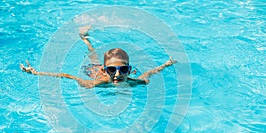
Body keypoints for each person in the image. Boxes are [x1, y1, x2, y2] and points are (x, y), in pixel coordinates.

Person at [20, 26, 176, 88]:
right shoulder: (97, 82)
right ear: (105, 69)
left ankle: (86, 40)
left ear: (128, 70)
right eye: (111, 70)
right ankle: (84, 39)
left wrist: (167, 64)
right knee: (93, 57)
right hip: (95, 71)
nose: (117, 74)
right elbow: (67, 75)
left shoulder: (136, 82)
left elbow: (148, 73)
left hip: (105, 69)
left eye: (122, 70)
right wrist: (36, 73)